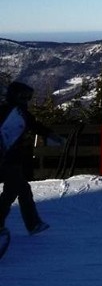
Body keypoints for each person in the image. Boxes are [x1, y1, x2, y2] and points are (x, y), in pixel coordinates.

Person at [1, 81, 59, 235]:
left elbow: (36, 126)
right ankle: (33, 224)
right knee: (20, 190)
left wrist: (52, 136)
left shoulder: (20, 113)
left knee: (13, 191)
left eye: (28, 97)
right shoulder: (12, 113)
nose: (27, 100)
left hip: (11, 159)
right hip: (7, 160)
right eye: (24, 97)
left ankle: (33, 224)